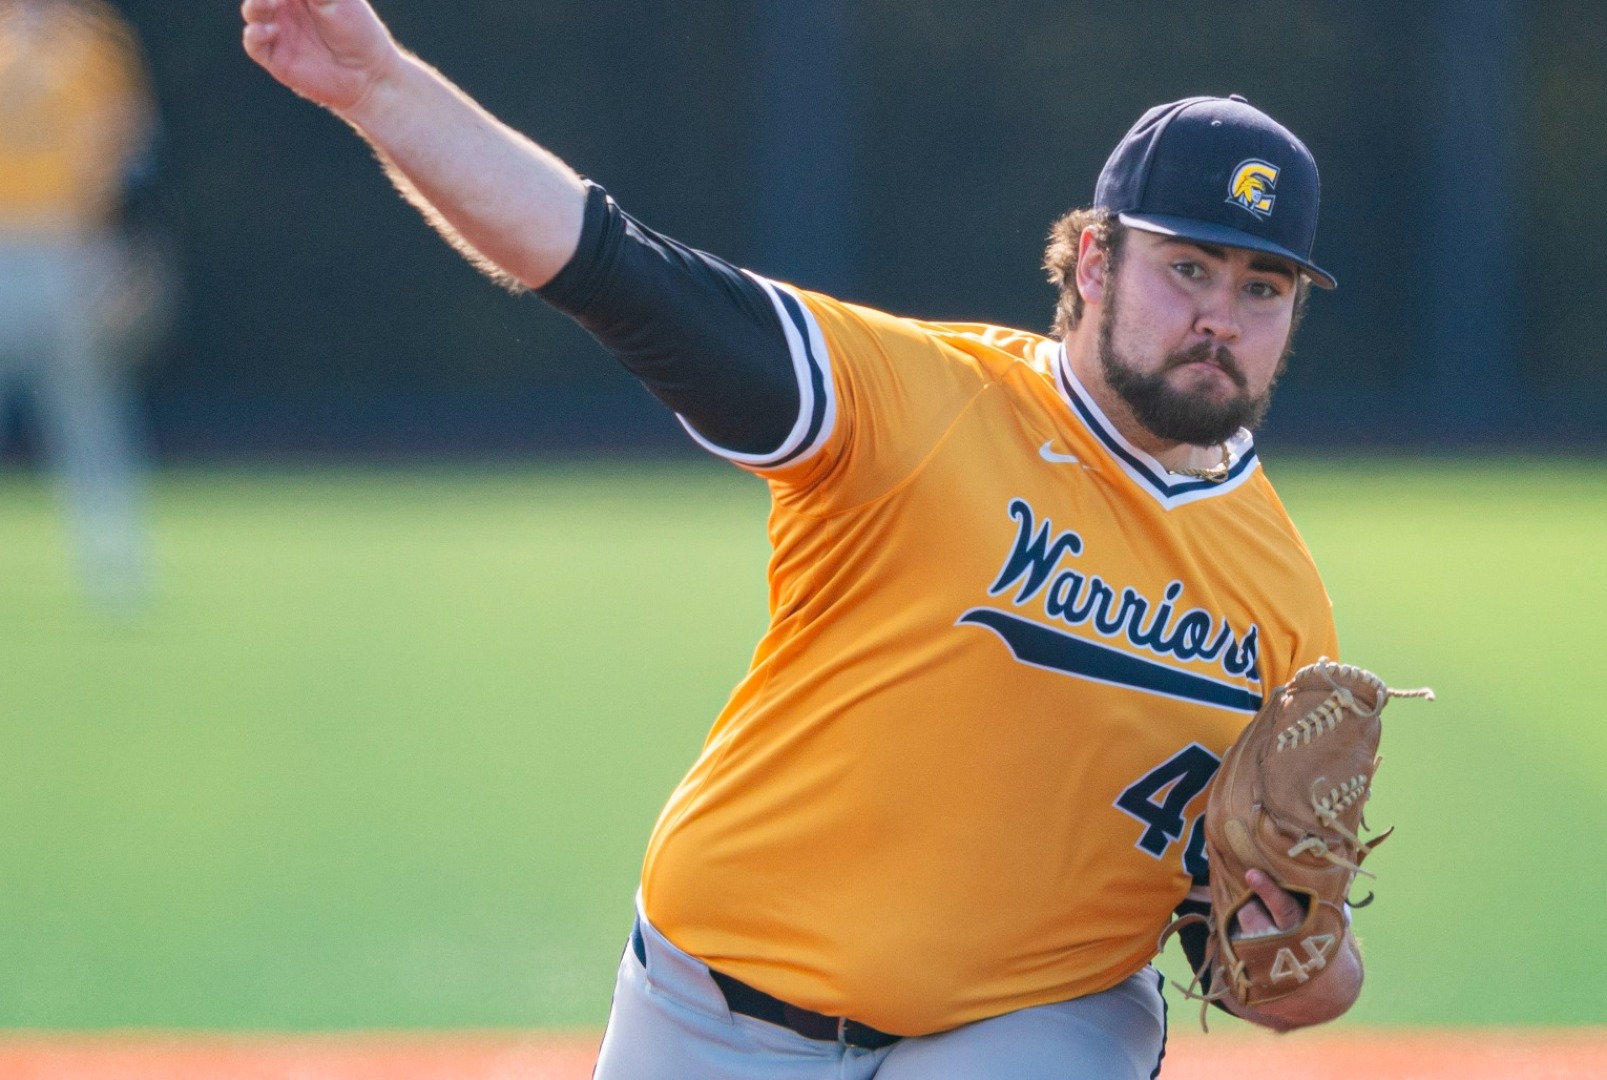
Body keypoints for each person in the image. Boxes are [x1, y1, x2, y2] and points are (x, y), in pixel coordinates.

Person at [242, 1, 1360, 1075]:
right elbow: (618, 271)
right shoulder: (915, 402)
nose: (1221, 313)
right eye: (1187, 267)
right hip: (719, 993)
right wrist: (380, 88)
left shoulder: (1281, 605)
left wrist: (1313, 968)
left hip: (1036, 1020)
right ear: (1094, 263)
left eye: (1262, 287)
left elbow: (1248, 950)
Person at [0, 0, 162, 611]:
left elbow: (126, 145)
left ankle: (114, 568)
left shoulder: (97, 41)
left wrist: (106, 244)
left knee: (88, 412)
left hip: (68, 243)